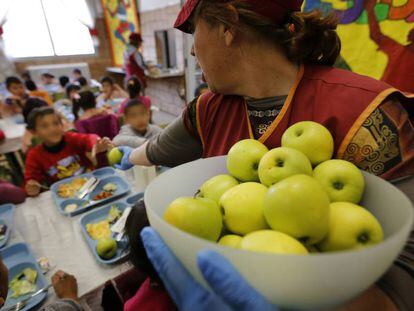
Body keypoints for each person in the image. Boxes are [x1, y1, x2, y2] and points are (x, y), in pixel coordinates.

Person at [115, 0, 414, 309]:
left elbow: (408, 261)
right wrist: (123, 151)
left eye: (193, 31)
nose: (192, 51)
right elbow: (156, 148)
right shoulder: (207, 110)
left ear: (228, 26)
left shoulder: (364, 114)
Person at [24, 107, 108, 196]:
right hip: (64, 194)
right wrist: (32, 188)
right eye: (45, 126)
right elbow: (31, 181)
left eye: (56, 123)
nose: (52, 129)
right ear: (34, 132)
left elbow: (89, 138)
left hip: (92, 185)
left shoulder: (71, 139)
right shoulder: (34, 156)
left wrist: (96, 143)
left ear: (62, 125)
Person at [364, 0, 414, 93]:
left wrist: (370, 10)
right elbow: (376, 36)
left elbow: (376, 36)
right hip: (387, 99)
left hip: (387, 99)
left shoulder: (400, 51)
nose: (409, 32)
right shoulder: (400, 50)